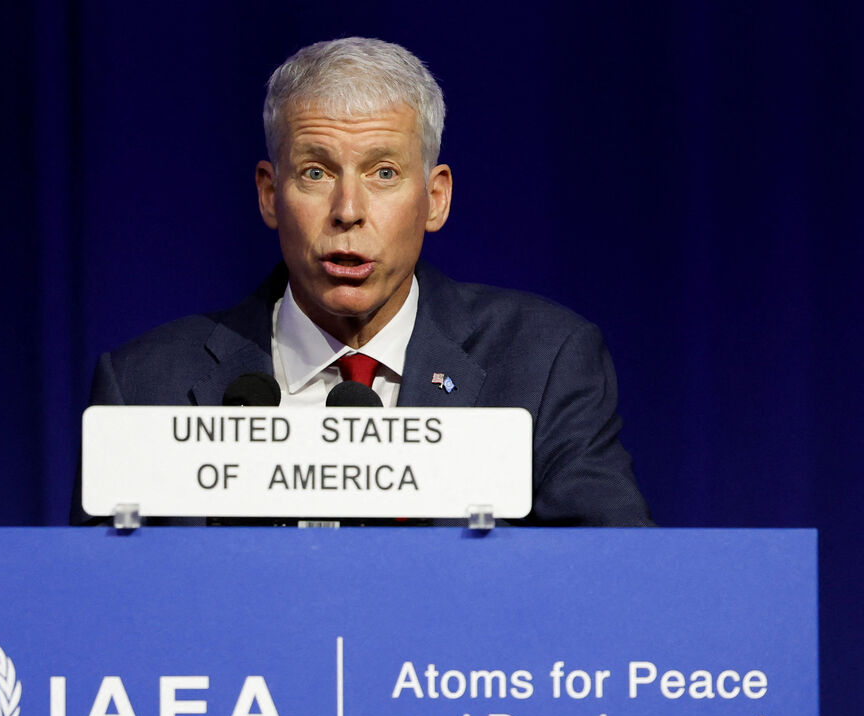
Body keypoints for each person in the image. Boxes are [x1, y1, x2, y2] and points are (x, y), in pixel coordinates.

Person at [72, 37, 652, 526]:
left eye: (383, 172)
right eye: (316, 171)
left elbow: (615, 586)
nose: (348, 209)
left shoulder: (542, 363)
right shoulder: (145, 386)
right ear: (271, 194)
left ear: (435, 197)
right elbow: (96, 621)